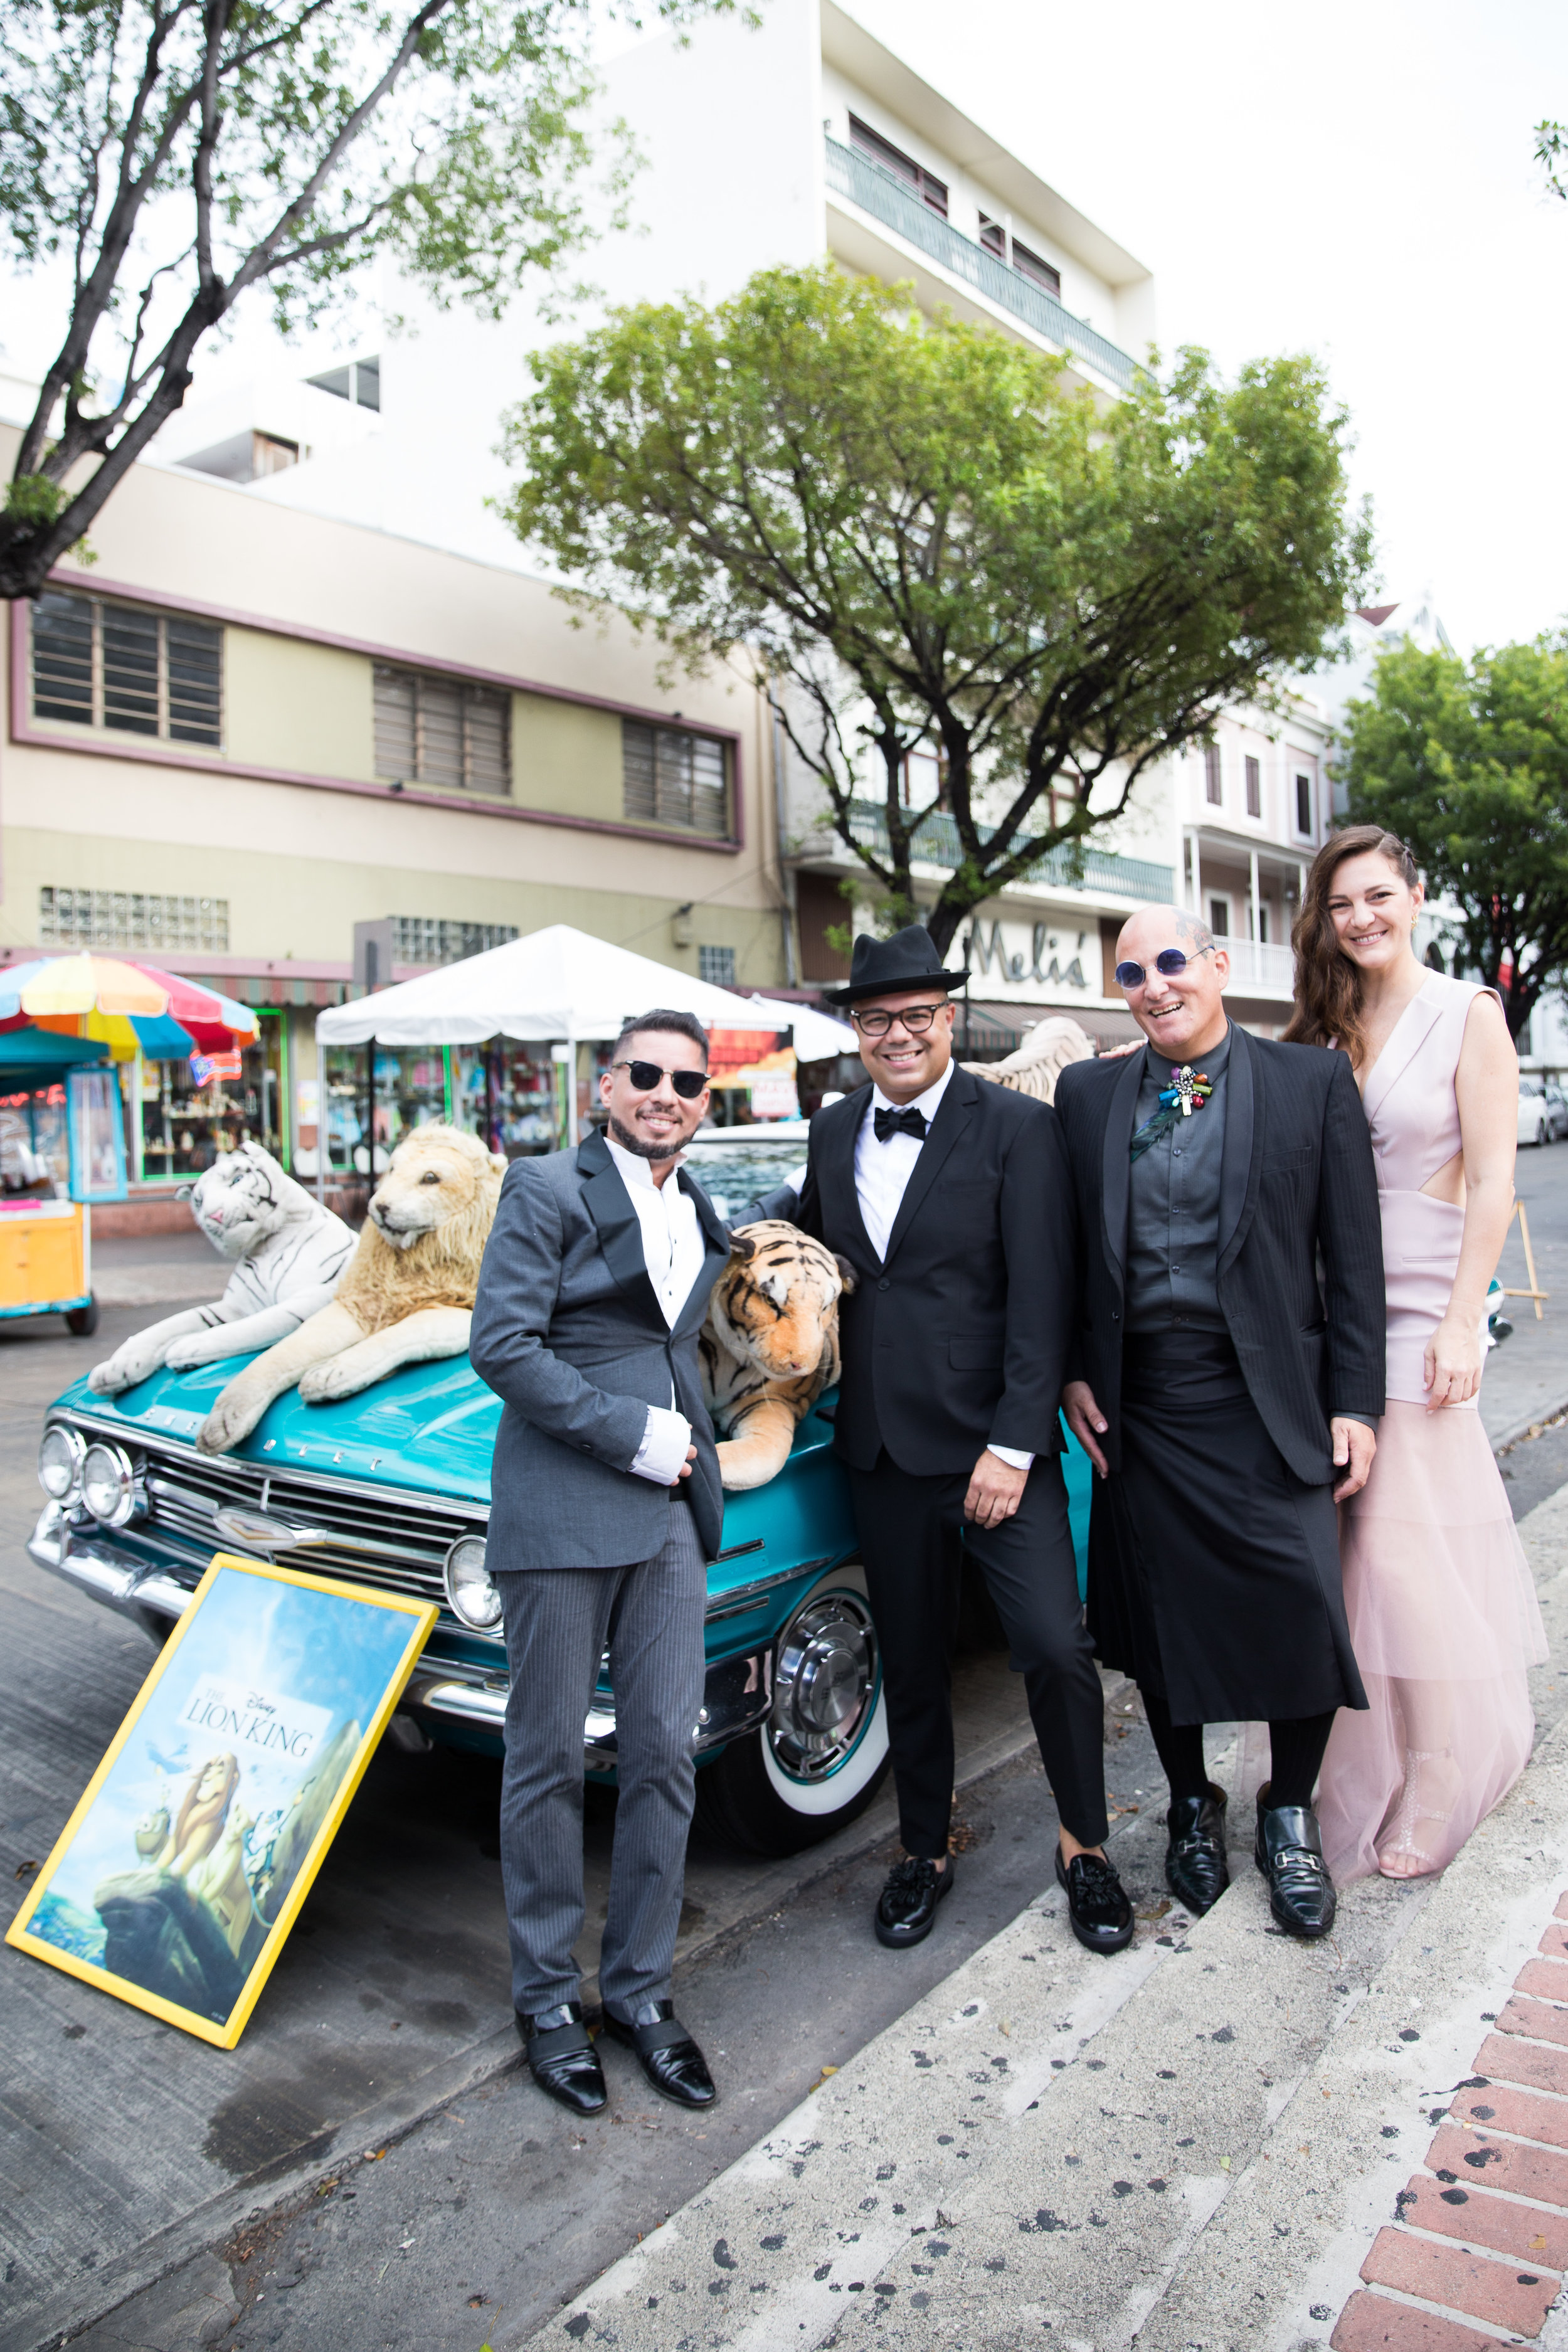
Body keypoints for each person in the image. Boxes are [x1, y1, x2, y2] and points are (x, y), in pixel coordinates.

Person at [766, 924, 1132, 1958]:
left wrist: (1014, 1446)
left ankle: (1085, 1846)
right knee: (913, 1666)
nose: (899, 1034)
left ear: (947, 1020)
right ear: (857, 1028)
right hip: (880, 1452)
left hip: (996, 1451)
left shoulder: (1018, 1126)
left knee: (1057, 1649)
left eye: (919, 1015)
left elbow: (1043, 1296)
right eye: (878, 1018)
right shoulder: (833, 1129)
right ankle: (922, 1849)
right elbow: (815, 1259)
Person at [1056, 906, 1384, 1939]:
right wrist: (1072, 1370)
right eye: (1129, 973)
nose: (1153, 985)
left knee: (1299, 1606)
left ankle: (1287, 1811)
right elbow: (1065, 1251)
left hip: (1270, 1402)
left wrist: (1358, 1402)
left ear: (1217, 965)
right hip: (1143, 1406)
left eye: (1169, 962)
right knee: (1164, 1625)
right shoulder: (1088, 1092)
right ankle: (1192, 1801)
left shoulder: (1309, 1082)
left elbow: (1356, 1259)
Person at [469, 1009, 734, 2117]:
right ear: (603, 1086)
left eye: (687, 1079)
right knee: (548, 1761)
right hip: (568, 1503)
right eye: (645, 1074)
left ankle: (636, 1989)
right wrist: (633, 1432)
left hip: (670, 1511)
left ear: (706, 1099)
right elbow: (503, 1343)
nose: (665, 1092)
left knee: (668, 1752)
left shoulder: (704, 1209)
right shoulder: (546, 1187)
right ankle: (544, 2000)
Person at [1285, 827, 1549, 1880]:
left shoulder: (1467, 1014)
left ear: (1416, 895)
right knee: (1346, 1563)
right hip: (1326, 1314)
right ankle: (1367, 1765)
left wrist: (1460, 1320)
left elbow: (1493, 1181)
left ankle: (1441, 1769)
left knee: (1405, 1555)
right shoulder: (1321, 1023)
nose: (1361, 919)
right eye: (1342, 903)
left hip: (1419, 1309)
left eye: (1379, 896)